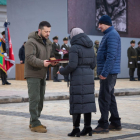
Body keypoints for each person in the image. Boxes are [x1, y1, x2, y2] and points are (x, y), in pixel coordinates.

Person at [58, 28, 96, 137]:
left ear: (73, 35)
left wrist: (61, 70)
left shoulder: (74, 47)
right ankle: (88, 127)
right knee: (88, 103)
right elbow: (93, 64)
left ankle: (76, 129)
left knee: (77, 102)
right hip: (89, 78)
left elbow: (72, 65)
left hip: (78, 78)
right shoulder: (90, 46)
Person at [24, 21, 57, 133]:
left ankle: (34, 120)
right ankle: (34, 123)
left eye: (49, 31)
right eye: (46, 31)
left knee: (40, 100)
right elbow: (29, 58)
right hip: (33, 74)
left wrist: (53, 60)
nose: (48, 33)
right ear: (39, 30)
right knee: (34, 99)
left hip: (42, 74)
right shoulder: (30, 42)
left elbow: (50, 56)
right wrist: (43, 63)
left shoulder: (48, 42)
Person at [93, 15, 122, 134]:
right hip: (108, 72)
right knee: (110, 97)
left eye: (100, 24)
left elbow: (111, 56)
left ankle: (103, 125)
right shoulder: (108, 35)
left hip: (108, 73)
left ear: (106, 24)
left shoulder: (112, 35)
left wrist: (104, 73)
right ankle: (115, 122)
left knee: (104, 97)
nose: (99, 26)